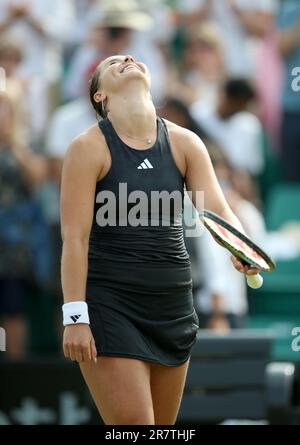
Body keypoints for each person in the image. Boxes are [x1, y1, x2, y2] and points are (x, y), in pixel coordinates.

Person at [60, 54, 258, 425]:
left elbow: (216, 211)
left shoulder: (187, 143)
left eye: (132, 58)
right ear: (99, 95)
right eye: (115, 61)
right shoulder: (87, 148)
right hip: (112, 307)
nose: (128, 59)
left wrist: (238, 245)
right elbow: (74, 238)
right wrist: (75, 316)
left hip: (173, 307)